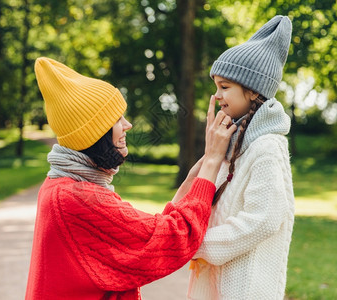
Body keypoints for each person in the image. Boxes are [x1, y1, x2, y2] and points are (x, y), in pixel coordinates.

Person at [25, 57, 237, 300]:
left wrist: (198, 171)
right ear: (95, 133)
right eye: (117, 119)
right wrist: (211, 162)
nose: (127, 125)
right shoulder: (77, 198)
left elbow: (152, 232)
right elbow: (171, 239)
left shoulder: (59, 185)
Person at [187, 15, 295, 300]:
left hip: (245, 288)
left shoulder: (267, 147)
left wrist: (202, 244)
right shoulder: (235, 143)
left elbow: (264, 219)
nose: (217, 96)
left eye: (225, 87)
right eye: (216, 87)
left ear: (252, 90)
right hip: (217, 283)